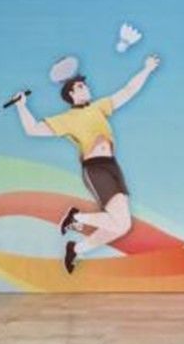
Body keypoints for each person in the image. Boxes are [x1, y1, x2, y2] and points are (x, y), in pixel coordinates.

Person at [10, 54, 160, 274]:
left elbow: (128, 91)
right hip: (95, 169)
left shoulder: (99, 107)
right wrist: (21, 106)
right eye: (81, 86)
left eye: (85, 85)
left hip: (112, 166)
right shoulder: (67, 119)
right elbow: (33, 129)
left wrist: (147, 69)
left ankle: (76, 248)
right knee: (120, 223)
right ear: (71, 94)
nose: (86, 87)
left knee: (122, 226)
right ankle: (75, 218)